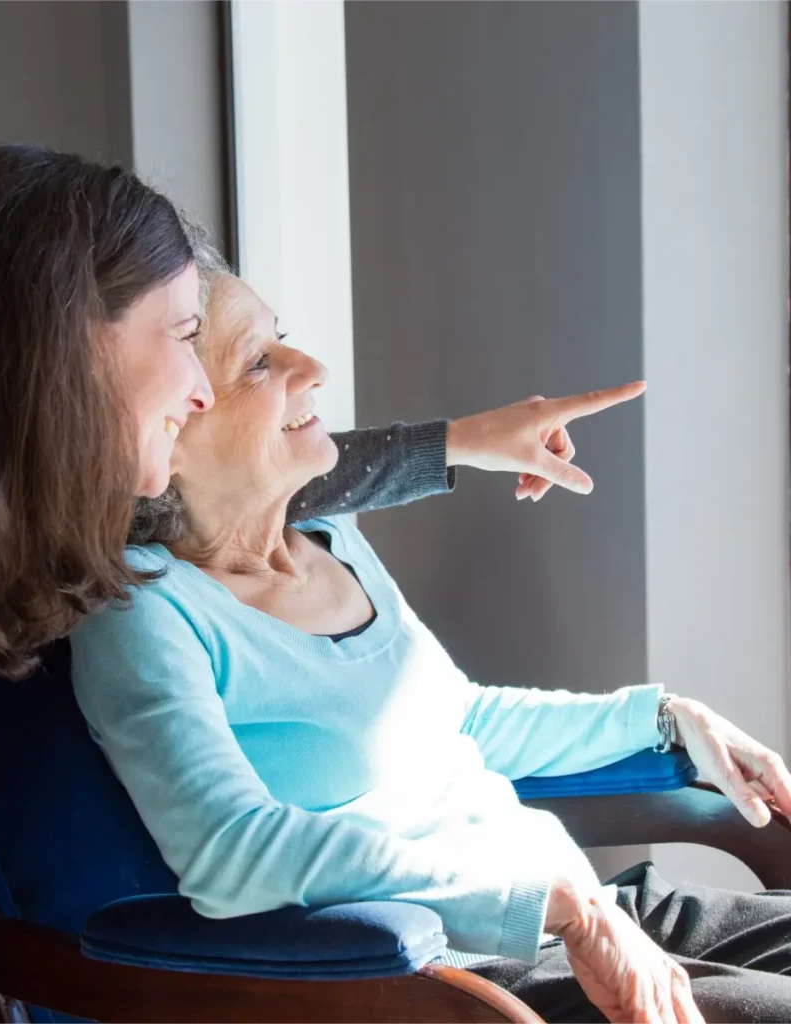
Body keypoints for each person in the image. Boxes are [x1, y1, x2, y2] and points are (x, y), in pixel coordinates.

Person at [0, 143, 638, 1024]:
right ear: (65, 341)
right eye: (187, 338)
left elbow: (233, 481)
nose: (198, 391)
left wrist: (458, 444)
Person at [73, 271, 791, 1024]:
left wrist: (664, 718)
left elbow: (463, 722)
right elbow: (232, 854)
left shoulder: (331, 540)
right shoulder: (146, 608)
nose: (310, 368)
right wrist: (557, 905)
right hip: (443, 979)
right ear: (167, 424)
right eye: (258, 362)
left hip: (577, 908)